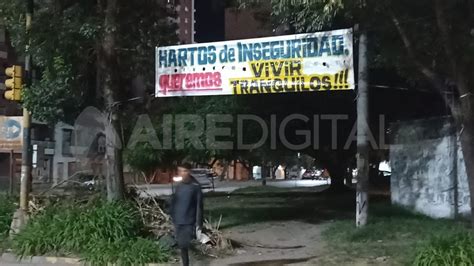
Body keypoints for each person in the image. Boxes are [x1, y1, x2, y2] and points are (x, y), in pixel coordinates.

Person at [171, 162, 203, 266]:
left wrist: (199, 223)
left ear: (189, 172)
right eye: (180, 171)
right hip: (178, 220)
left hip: (189, 221)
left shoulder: (195, 186)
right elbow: (174, 202)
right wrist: (172, 216)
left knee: (184, 244)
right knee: (182, 246)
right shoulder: (178, 186)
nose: (182, 173)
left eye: (184, 171)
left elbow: (199, 205)